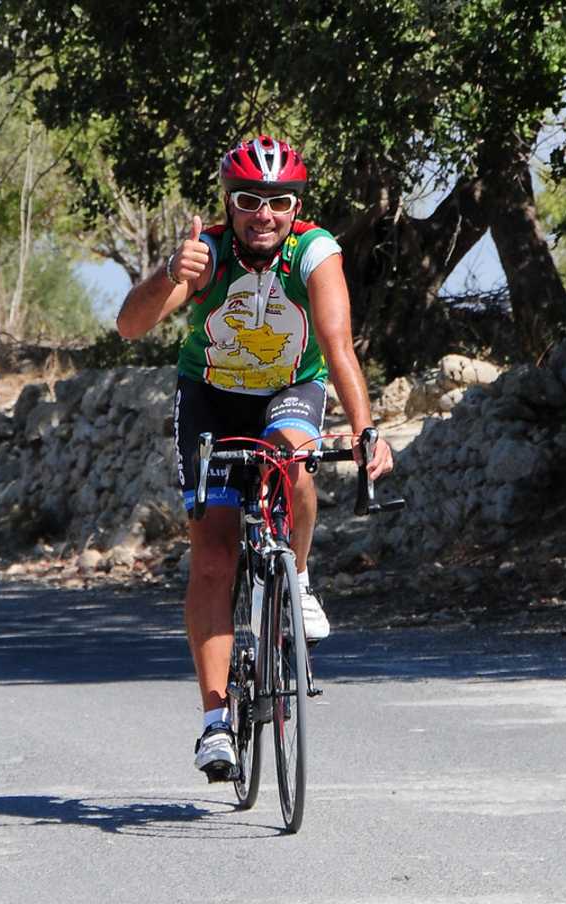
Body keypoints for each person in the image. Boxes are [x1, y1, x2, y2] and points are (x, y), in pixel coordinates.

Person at [115, 135, 394, 778]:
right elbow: (129, 326)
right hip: (210, 396)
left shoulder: (315, 251)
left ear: (297, 204)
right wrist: (169, 274)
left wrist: (366, 428)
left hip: (290, 388)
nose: (263, 213)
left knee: (295, 457)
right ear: (228, 204)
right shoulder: (206, 255)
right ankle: (215, 723)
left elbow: (337, 343)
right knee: (213, 555)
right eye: (248, 200)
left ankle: (295, 582)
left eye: (278, 200)